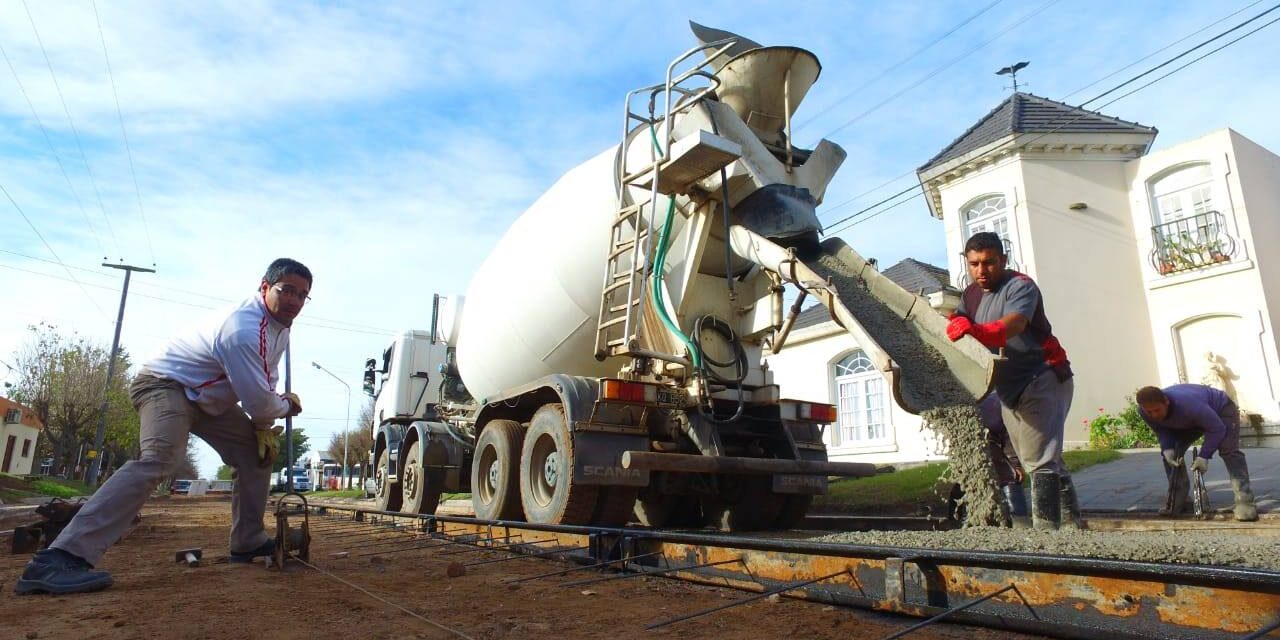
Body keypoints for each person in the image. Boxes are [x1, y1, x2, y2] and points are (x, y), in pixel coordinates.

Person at [15, 258, 312, 595]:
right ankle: (58, 558)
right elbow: (260, 401)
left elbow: (265, 381)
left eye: (302, 295)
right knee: (161, 458)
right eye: (286, 290)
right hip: (165, 385)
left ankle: (248, 541)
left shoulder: (280, 329)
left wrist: (262, 425)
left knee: (254, 453)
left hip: (208, 399)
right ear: (264, 287)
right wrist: (286, 406)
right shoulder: (242, 329)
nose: (294, 301)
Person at [946, 232, 1080, 528]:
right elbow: (957, 323)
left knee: (1039, 459)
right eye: (974, 264)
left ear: (1002, 260)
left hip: (1042, 375)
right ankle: (1073, 526)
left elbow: (1014, 325)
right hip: (1008, 388)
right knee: (1038, 457)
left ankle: (1048, 535)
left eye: (989, 263)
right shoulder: (970, 295)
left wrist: (973, 331)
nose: (982, 271)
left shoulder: (1020, 286)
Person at [1135, 384, 1258, 522]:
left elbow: (1217, 429)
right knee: (1171, 455)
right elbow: (1162, 429)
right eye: (1149, 412)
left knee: (1229, 450)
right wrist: (1167, 448)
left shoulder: (1188, 404)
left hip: (1220, 410)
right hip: (1189, 420)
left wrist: (1204, 456)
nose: (1154, 415)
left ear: (1166, 401)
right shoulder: (1143, 411)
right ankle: (1179, 501)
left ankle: (1245, 502)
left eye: (1157, 410)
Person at [979, 393, 1028, 526]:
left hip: (987, 438)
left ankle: (1013, 520)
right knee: (1010, 477)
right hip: (986, 439)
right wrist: (1016, 464)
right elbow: (1009, 436)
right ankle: (1019, 519)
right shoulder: (1002, 404)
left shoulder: (999, 402)